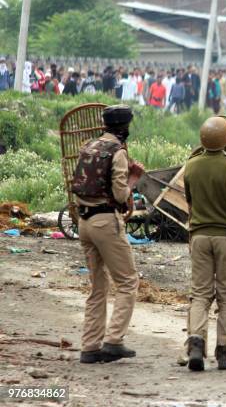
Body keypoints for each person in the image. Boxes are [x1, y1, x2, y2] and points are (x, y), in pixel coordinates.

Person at [71, 105, 145, 364]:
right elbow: (121, 195)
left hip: (83, 221)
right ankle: (114, 341)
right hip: (106, 222)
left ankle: (90, 346)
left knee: (98, 287)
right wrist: (134, 178)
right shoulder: (118, 152)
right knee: (127, 282)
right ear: (126, 126)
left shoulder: (88, 146)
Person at [183, 116, 226, 371]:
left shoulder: (191, 165)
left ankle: (195, 345)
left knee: (200, 294)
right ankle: (224, 352)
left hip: (200, 236)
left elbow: (189, 200)